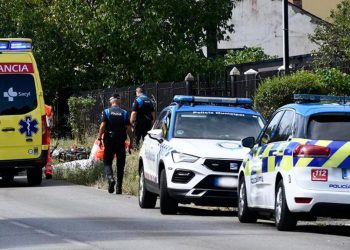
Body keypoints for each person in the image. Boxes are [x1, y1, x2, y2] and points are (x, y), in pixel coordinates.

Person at [97, 93, 133, 194]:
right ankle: (119, 188)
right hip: (121, 141)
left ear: (111, 101)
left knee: (107, 161)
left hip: (109, 140)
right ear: (119, 101)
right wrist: (131, 142)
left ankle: (110, 178)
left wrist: (99, 138)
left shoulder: (107, 112)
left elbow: (102, 126)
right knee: (120, 164)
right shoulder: (124, 113)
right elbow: (129, 129)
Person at [44, 104, 54, 179]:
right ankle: (48, 171)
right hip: (45, 135)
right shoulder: (48, 108)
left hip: (33, 134)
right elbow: (50, 124)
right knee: (47, 154)